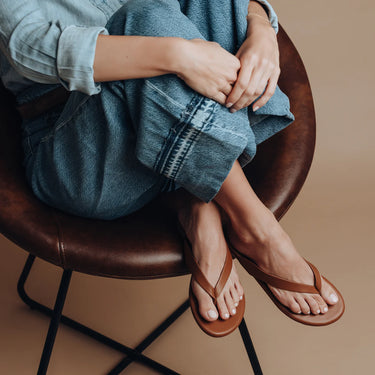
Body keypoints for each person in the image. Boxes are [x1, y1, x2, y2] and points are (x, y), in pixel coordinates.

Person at [0, 0, 344, 336]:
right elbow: (35, 48)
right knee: (142, 18)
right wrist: (180, 56)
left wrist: (261, 30)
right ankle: (255, 227)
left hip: (177, 114)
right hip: (79, 155)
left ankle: (199, 195)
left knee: (182, 10)